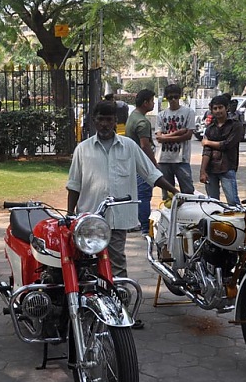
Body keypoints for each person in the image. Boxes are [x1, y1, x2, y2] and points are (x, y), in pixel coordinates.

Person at [67, 100, 179, 280]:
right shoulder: (83, 149)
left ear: (115, 121)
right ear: (94, 121)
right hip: (89, 219)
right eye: (101, 119)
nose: (104, 124)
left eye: (108, 119)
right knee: (87, 263)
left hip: (117, 219)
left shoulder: (129, 146)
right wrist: (70, 214)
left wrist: (175, 191)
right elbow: (74, 185)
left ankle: (120, 299)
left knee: (116, 262)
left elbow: (151, 174)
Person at [124, 89, 158, 235]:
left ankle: (134, 222)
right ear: (145, 103)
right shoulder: (142, 122)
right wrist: (153, 164)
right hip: (141, 164)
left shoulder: (133, 116)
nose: (154, 103)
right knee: (144, 195)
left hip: (131, 162)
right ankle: (144, 226)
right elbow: (145, 145)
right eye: (152, 100)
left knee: (135, 194)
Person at [200, 95, 243, 205]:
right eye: (215, 108)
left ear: (226, 108)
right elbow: (207, 151)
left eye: (220, 107)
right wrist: (202, 171)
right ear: (211, 110)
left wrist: (208, 142)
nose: (218, 111)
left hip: (227, 167)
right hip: (211, 169)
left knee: (233, 202)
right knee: (213, 203)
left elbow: (227, 145)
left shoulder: (236, 125)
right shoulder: (210, 128)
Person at [155, 85, 195, 199]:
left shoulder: (188, 112)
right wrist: (178, 132)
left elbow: (188, 136)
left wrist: (165, 138)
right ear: (166, 98)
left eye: (175, 97)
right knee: (167, 196)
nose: (173, 100)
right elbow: (158, 137)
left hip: (181, 159)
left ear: (179, 97)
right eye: (170, 97)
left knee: (187, 193)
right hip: (164, 159)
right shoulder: (161, 115)